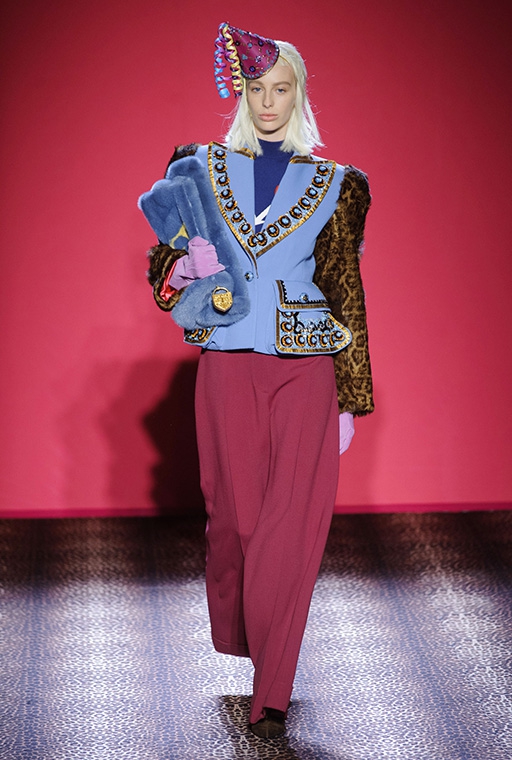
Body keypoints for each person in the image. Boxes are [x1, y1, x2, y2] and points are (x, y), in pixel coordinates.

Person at [138, 22, 374, 740]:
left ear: (299, 95)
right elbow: (160, 265)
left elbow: (345, 288)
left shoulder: (337, 185)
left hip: (307, 368)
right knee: (237, 524)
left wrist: (351, 398)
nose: (269, 102)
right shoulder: (198, 167)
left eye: (283, 89)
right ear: (241, 93)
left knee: (291, 528)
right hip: (227, 359)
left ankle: (273, 690)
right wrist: (184, 267)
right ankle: (253, 641)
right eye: (258, 89)